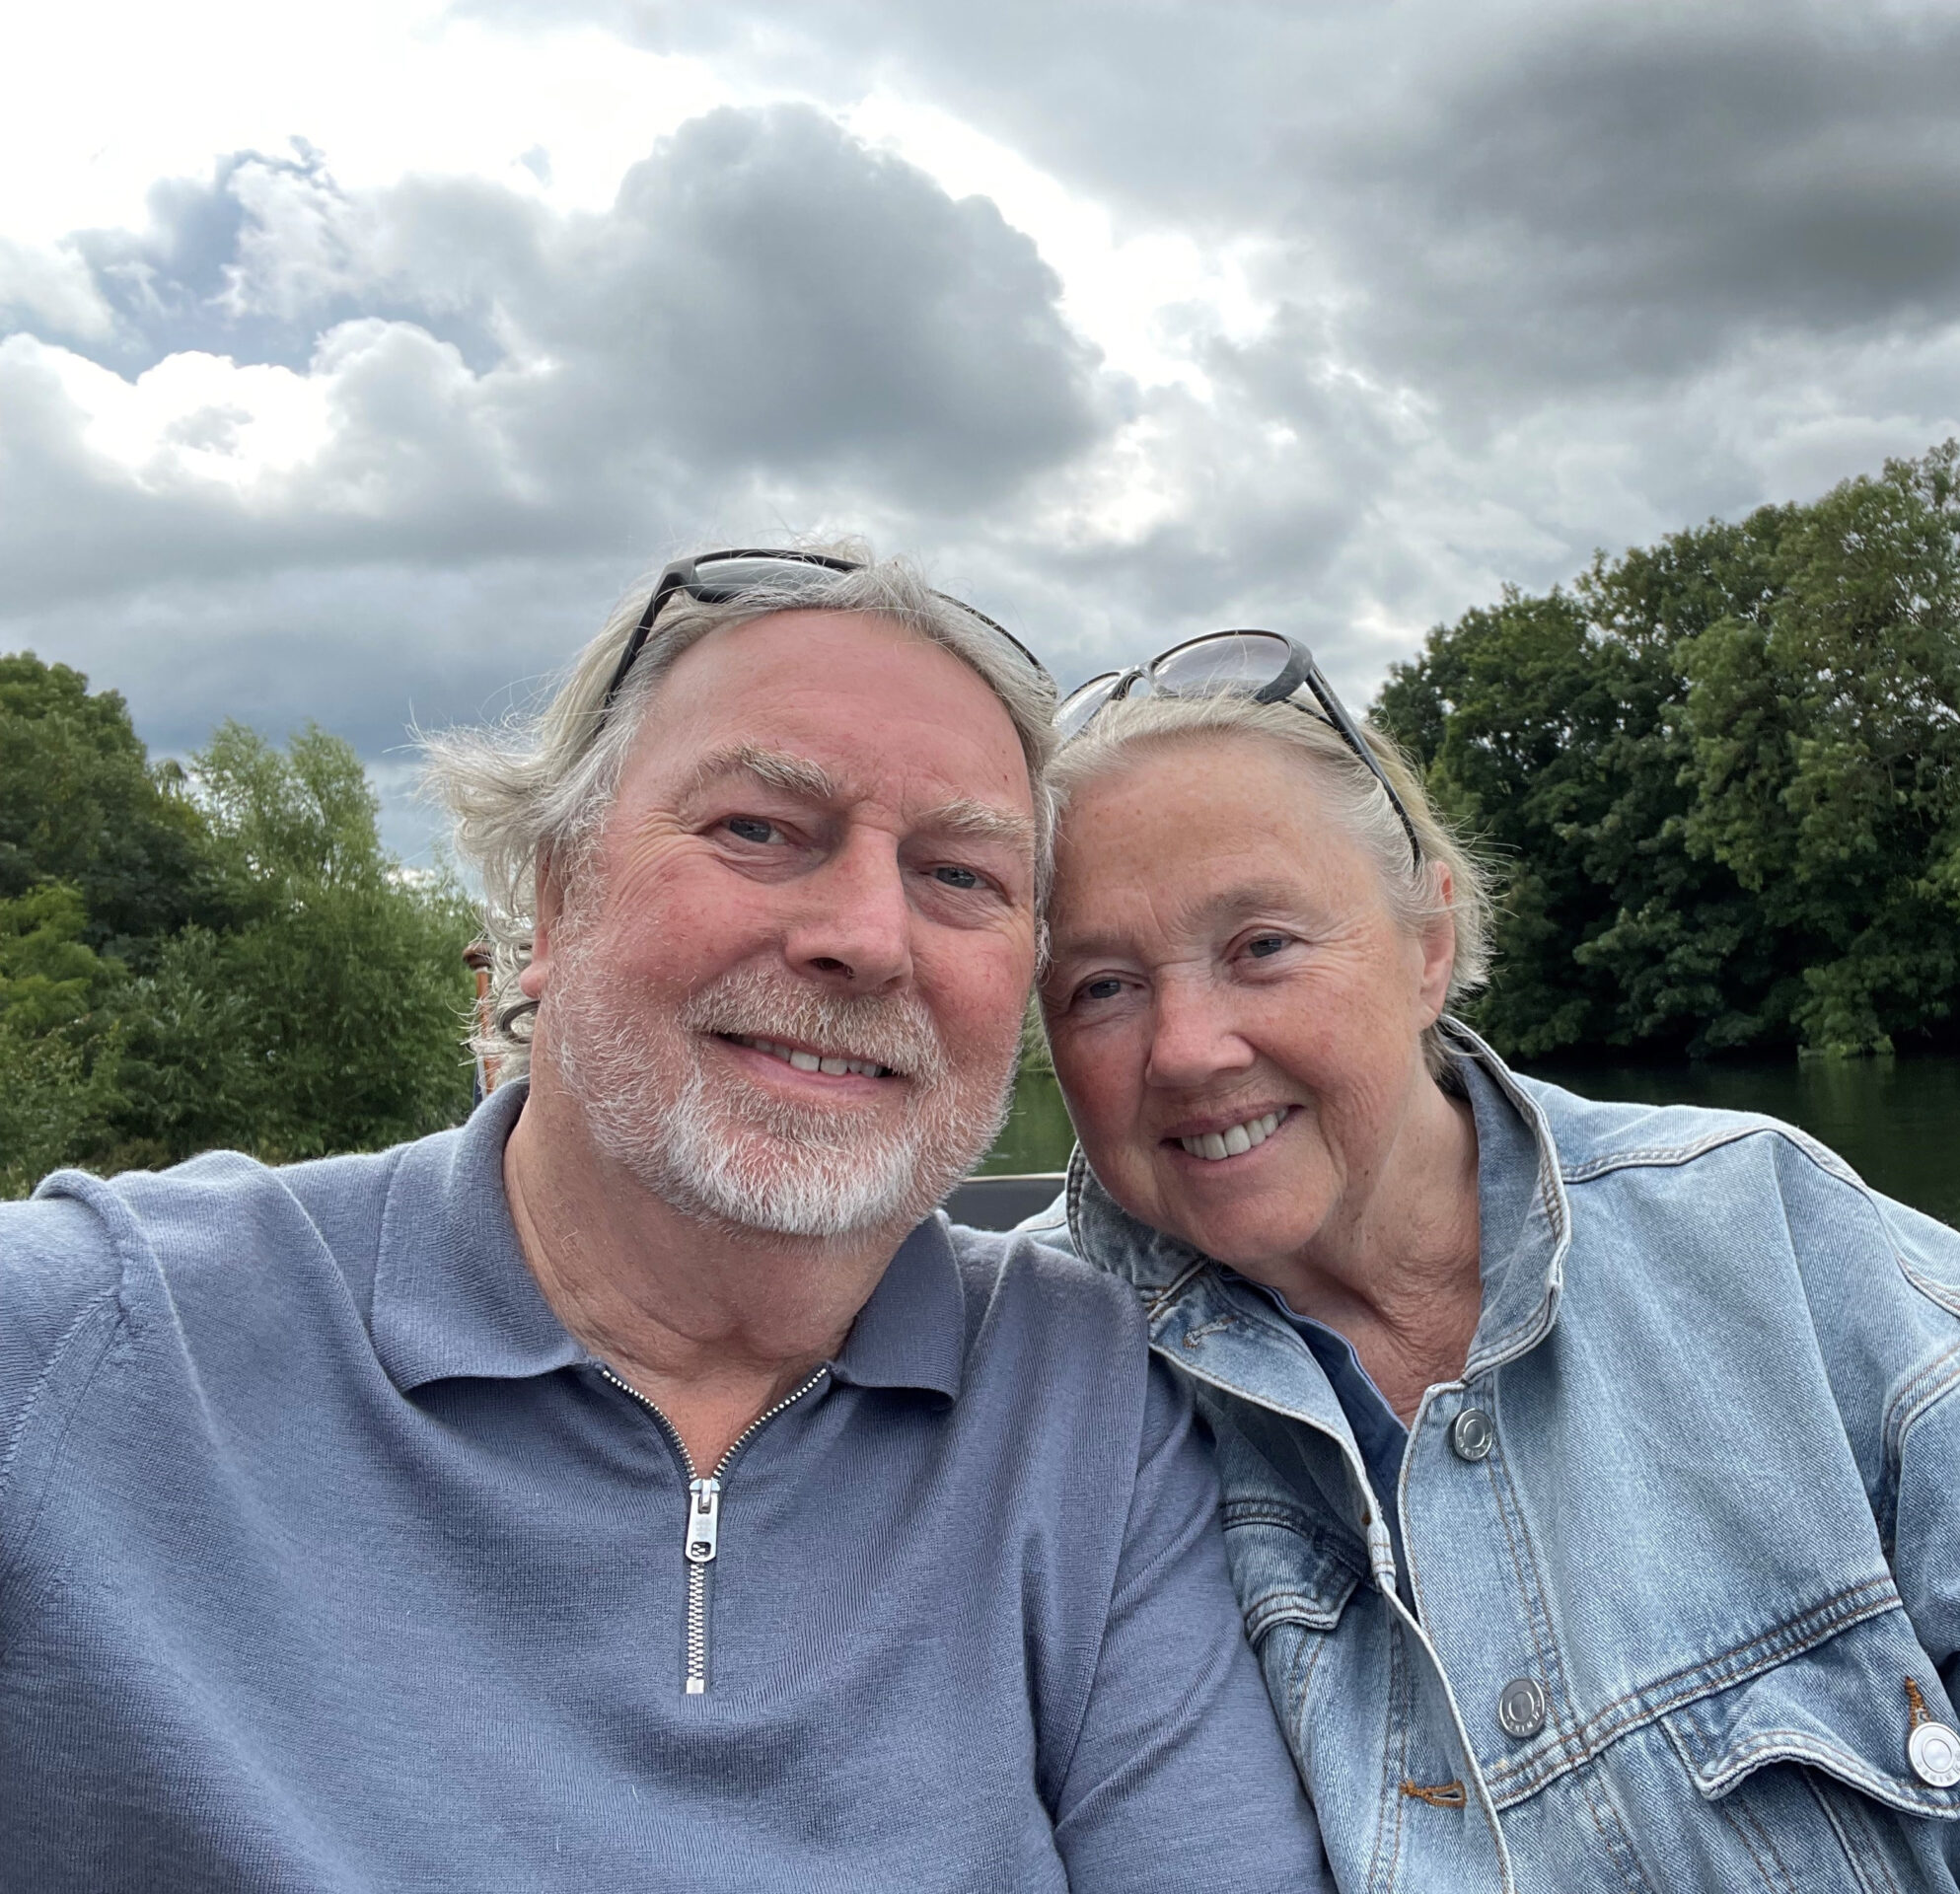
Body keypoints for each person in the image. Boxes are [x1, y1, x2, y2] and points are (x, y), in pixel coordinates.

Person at [0, 552, 1333, 1892]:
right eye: (758, 829)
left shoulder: (1088, 1404)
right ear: (554, 899)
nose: (868, 937)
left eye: (960, 876)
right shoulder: (102, 1340)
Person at [1027, 631, 1960, 1893]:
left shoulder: (1777, 1244)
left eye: (1262, 945)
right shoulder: (1018, 1391)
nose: (1187, 1050)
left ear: (1430, 942)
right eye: (1102, 985)